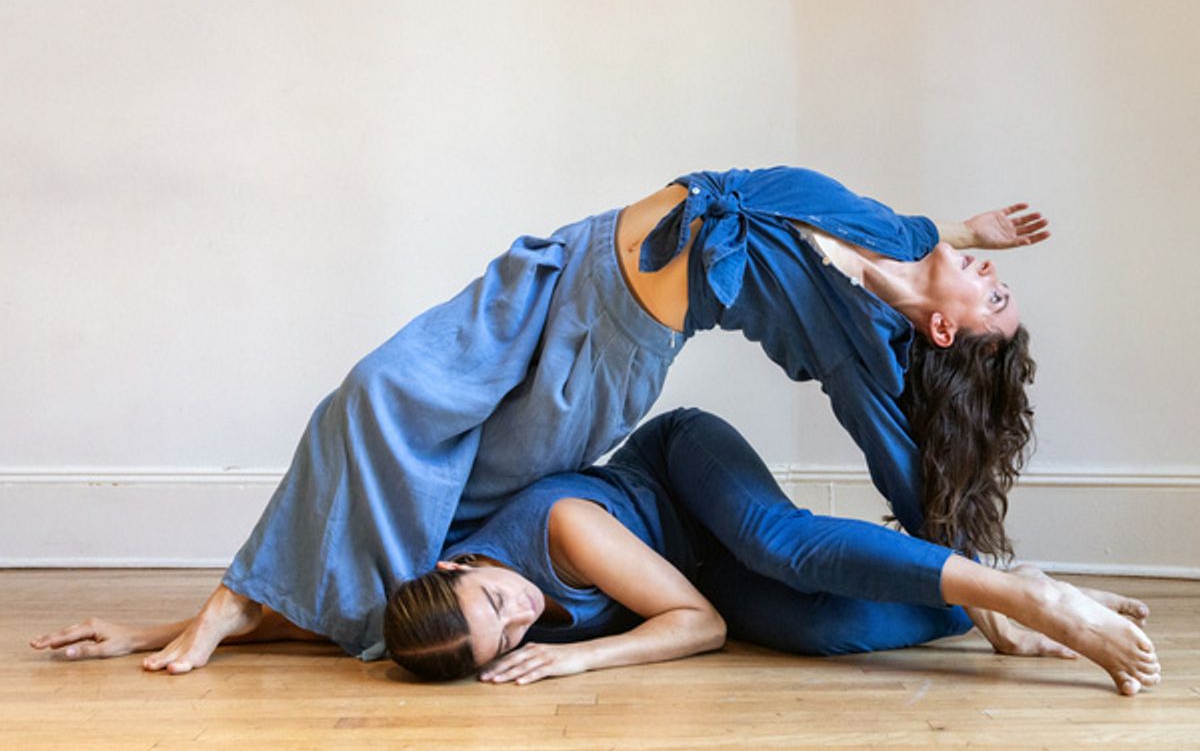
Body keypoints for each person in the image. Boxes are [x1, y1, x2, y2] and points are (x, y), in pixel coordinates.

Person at [36, 166, 1053, 668]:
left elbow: (899, 457)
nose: (992, 274)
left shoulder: (858, 345)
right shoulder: (888, 228)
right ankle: (230, 603)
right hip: (558, 268)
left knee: (437, 533)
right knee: (376, 395)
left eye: (992, 298)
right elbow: (883, 243)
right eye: (996, 277)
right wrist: (960, 230)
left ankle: (246, 610)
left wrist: (985, 581)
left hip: (600, 356)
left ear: (944, 337)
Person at [33, 410, 1161, 696]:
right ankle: (984, 604)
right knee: (831, 631)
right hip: (681, 572)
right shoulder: (434, 616)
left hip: (684, 478)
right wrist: (160, 632)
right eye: (510, 637)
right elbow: (309, 622)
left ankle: (1033, 591)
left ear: (465, 566)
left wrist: (583, 660)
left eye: (500, 602)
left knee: (783, 543)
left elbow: (701, 628)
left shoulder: (556, 537)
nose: (523, 615)